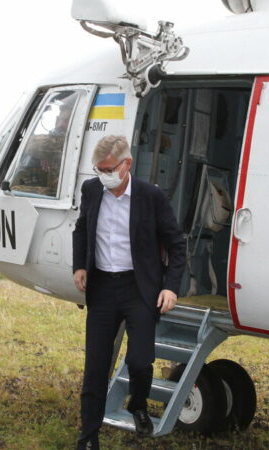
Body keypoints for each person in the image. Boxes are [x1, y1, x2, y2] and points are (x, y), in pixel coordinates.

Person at [72, 135, 186, 449]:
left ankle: (137, 405)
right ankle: (89, 436)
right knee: (95, 365)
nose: (104, 175)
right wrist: (79, 266)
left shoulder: (151, 196)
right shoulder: (92, 190)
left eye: (109, 168)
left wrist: (170, 288)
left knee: (139, 361)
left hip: (139, 288)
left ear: (127, 164)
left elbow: (177, 245)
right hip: (103, 288)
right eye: (99, 169)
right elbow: (82, 228)